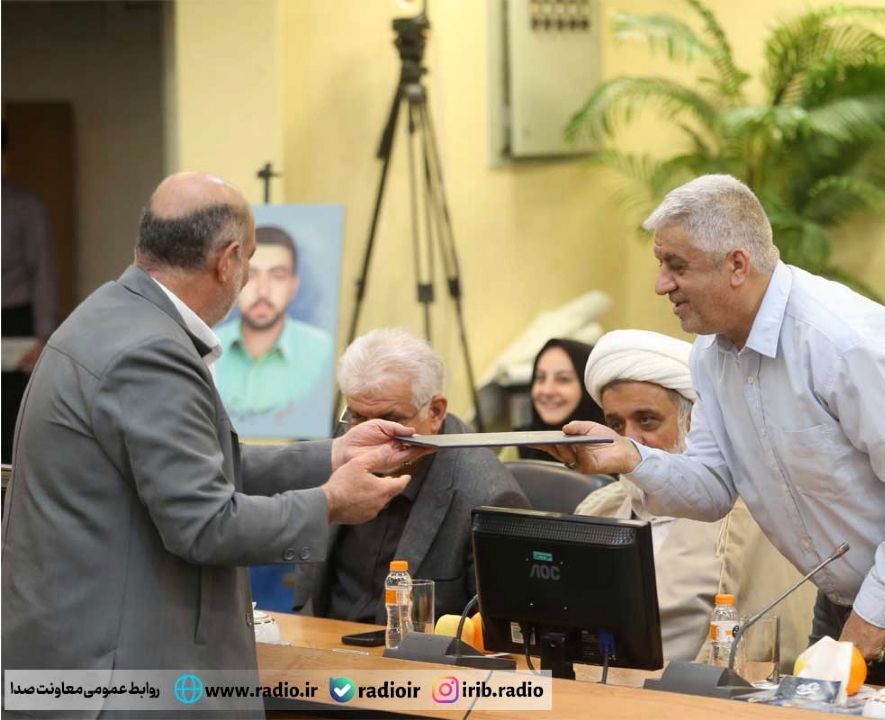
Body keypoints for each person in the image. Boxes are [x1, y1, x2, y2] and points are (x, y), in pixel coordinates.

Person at [547, 174, 885, 676]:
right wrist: (631, 458)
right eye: (661, 265)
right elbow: (713, 490)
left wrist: (871, 613)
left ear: (737, 265)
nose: (661, 284)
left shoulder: (843, 341)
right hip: (853, 588)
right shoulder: (712, 354)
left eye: (676, 266)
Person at [0, 172, 427, 716]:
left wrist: (333, 454)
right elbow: (204, 524)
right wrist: (330, 504)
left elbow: (197, 470)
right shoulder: (149, 351)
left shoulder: (110, 316)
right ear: (228, 261)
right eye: (250, 260)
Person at [574, 328, 813, 666]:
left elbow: (774, 648)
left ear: (693, 423)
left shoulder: (749, 518)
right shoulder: (598, 508)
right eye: (616, 425)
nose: (629, 440)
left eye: (647, 420)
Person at [294, 328, 530, 622]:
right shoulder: (339, 451)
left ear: (435, 412)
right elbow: (307, 585)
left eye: (389, 420)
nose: (370, 435)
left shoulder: (488, 497)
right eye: (357, 417)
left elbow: (501, 633)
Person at [215, 225, 334, 425]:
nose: (263, 291)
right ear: (234, 280)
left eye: (277, 275)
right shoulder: (207, 348)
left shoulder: (324, 351)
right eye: (251, 275)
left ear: (293, 286)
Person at [1, 122, 60, 462]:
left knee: (12, 419)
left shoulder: (26, 207)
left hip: (15, 320)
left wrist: (43, 336)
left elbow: (44, 273)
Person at [516, 337, 605, 461]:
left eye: (563, 379)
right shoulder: (516, 447)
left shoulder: (618, 451)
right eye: (540, 377)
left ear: (589, 387)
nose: (547, 391)